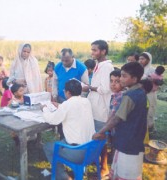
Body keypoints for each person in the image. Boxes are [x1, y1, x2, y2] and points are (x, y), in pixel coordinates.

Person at [93, 62, 147, 180]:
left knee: (125, 171)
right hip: (136, 139)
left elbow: (116, 118)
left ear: (134, 79)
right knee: (131, 170)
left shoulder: (129, 96)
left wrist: (100, 132)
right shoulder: (140, 91)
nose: (121, 79)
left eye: (124, 76)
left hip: (127, 140)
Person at [42, 79, 95, 180]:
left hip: (77, 152)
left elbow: (52, 120)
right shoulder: (86, 101)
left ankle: (63, 177)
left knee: (48, 147)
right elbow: (74, 109)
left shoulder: (67, 104)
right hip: (91, 148)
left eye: (64, 91)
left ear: (68, 92)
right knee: (60, 143)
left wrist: (44, 108)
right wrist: (60, 106)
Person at [84, 40, 114, 177]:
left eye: (95, 50)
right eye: (92, 50)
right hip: (95, 107)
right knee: (95, 136)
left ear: (103, 51)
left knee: (101, 138)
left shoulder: (107, 67)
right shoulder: (98, 65)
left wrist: (89, 87)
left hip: (101, 109)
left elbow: (105, 88)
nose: (92, 53)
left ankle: (104, 167)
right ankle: (95, 160)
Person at [139, 52, 155, 130]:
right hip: (141, 93)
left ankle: (149, 127)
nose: (140, 61)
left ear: (148, 60)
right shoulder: (140, 69)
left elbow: (156, 82)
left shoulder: (152, 70)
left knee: (150, 110)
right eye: (140, 59)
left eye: (143, 59)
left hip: (150, 93)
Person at [146, 66, 165, 130]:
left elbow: (160, 83)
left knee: (152, 108)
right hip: (149, 92)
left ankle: (150, 125)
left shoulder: (159, 76)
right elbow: (148, 79)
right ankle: (148, 125)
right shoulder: (152, 75)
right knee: (150, 108)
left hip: (153, 92)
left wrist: (154, 80)